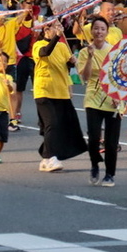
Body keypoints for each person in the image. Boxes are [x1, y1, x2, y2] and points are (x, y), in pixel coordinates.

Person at [32, 21, 86, 173]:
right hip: (44, 90)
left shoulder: (63, 46)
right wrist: (56, 37)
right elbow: (45, 53)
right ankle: (51, 157)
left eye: (58, 28)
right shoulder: (38, 45)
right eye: (53, 28)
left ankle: (45, 156)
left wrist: (71, 63)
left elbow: (63, 65)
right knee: (51, 123)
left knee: (62, 125)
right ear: (46, 30)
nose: (57, 30)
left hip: (61, 90)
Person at [77, 16, 121, 186]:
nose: (99, 31)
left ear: (107, 32)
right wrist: (89, 57)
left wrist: (118, 96)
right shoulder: (84, 52)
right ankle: (95, 164)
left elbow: (120, 76)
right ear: (91, 30)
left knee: (111, 141)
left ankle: (110, 173)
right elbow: (86, 77)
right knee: (94, 137)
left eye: (102, 29)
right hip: (93, 98)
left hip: (113, 97)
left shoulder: (114, 52)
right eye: (96, 28)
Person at [10, 1, 38, 132]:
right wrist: (24, 13)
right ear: (21, 5)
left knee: (38, 89)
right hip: (21, 57)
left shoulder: (38, 19)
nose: (30, 6)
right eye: (27, 3)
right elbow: (15, 25)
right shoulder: (17, 21)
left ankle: (42, 116)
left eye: (31, 3)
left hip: (36, 58)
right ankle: (16, 112)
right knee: (19, 88)